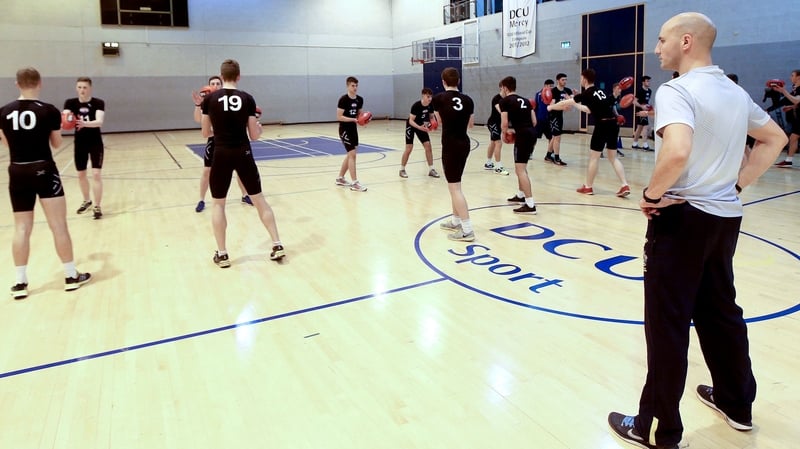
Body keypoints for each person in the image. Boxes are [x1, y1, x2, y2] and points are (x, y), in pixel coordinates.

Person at [607, 13, 788, 449]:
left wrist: (651, 195)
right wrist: (737, 184)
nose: (657, 48)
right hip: (725, 218)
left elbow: (677, 150)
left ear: (685, 41)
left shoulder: (677, 89)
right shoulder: (733, 90)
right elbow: (775, 139)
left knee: (668, 323)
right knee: (720, 310)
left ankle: (657, 428)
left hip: (684, 219)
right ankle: (736, 401)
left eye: (662, 39)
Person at [1, 67, 92, 299]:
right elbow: (57, 143)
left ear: (16, 84)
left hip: (18, 170)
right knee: (58, 224)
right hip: (44, 168)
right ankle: (70, 276)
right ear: (40, 83)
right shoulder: (49, 110)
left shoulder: (3, 112)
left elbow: (6, 143)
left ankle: (20, 282)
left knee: (21, 227)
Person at [200, 59, 285, 268]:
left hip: (220, 152)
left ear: (221, 77)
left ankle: (222, 254)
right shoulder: (247, 99)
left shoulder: (209, 100)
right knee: (259, 200)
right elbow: (254, 135)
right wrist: (260, 129)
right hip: (243, 152)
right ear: (238, 76)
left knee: (218, 204)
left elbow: (204, 133)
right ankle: (277, 244)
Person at [548, 69, 630, 197]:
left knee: (594, 157)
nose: (580, 80)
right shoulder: (599, 91)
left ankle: (588, 187)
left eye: (581, 78)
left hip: (602, 125)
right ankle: (624, 184)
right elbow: (589, 109)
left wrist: (550, 107)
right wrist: (575, 102)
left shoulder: (587, 93)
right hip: (613, 125)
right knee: (613, 157)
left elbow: (564, 103)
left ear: (585, 79)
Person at [191, 75, 252, 213]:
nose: (215, 85)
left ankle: (245, 195)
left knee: (239, 170)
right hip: (214, 142)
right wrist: (197, 104)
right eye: (212, 83)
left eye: (218, 83)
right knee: (207, 171)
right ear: (208, 85)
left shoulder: (227, 100)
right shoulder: (207, 102)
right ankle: (201, 199)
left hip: (230, 141)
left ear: (222, 84)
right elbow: (198, 120)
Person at [432, 67, 476, 242]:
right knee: (456, 184)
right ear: (458, 81)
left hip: (450, 144)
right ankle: (456, 220)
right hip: (464, 143)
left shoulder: (438, 99)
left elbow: (440, 121)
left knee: (454, 188)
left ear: (443, 82)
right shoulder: (468, 100)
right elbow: (471, 124)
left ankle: (467, 230)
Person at [63, 77, 106, 219]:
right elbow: (66, 117)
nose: (82, 90)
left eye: (85, 87)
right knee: (81, 174)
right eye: (79, 87)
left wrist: (84, 123)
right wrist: (65, 120)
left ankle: (97, 206)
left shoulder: (98, 103)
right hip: (80, 143)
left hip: (95, 142)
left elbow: (99, 122)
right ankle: (87, 200)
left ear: (90, 88)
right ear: (76, 88)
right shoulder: (70, 103)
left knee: (96, 174)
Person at [498, 76, 538, 214]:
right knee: (521, 168)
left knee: (520, 170)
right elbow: (534, 121)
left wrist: (505, 133)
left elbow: (504, 123)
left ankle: (530, 204)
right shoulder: (526, 101)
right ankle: (521, 196)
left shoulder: (505, 101)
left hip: (523, 136)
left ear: (505, 87)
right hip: (532, 133)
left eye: (501, 88)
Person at [334, 76, 367, 192]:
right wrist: (352, 120)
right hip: (344, 129)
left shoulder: (360, 99)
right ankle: (355, 183)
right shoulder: (343, 99)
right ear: (348, 86)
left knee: (350, 155)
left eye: (356, 85)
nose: (355, 88)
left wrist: (364, 119)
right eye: (353, 85)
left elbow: (359, 115)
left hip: (353, 129)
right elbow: (339, 117)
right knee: (352, 154)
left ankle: (340, 178)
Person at [399, 88, 440, 178]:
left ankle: (431, 169)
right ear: (423, 95)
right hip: (412, 125)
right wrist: (419, 127)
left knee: (428, 146)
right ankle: (402, 169)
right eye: (428, 97)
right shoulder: (416, 106)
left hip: (421, 126)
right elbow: (411, 121)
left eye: (431, 97)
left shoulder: (430, 106)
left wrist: (433, 124)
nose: (430, 99)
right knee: (409, 148)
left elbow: (431, 117)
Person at [773, 70, 800, 167]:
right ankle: (788, 161)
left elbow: (797, 100)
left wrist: (783, 91)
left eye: (792, 75)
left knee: (793, 137)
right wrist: (792, 107)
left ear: (798, 77)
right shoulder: (796, 88)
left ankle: (789, 160)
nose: (790, 77)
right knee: (793, 137)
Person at [544, 73, 571, 166]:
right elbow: (551, 106)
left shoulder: (567, 91)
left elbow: (572, 102)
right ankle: (556, 158)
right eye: (563, 80)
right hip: (553, 116)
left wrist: (573, 97)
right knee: (557, 137)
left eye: (565, 80)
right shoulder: (554, 91)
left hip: (560, 116)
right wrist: (563, 107)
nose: (565, 81)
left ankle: (548, 155)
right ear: (558, 81)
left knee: (555, 137)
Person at [483, 83, 509, 175]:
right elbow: (501, 111)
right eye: (505, 87)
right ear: (501, 87)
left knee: (493, 142)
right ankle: (498, 167)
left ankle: (488, 163)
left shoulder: (507, 99)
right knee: (498, 142)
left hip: (499, 124)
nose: (506, 89)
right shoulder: (496, 99)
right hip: (493, 123)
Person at [534, 79, 554, 159]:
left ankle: (550, 153)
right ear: (545, 86)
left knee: (551, 137)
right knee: (534, 137)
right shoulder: (538, 94)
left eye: (552, 86)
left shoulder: (553, 94)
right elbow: (535, 106)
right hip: (539, 119)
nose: (551, 88)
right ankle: (530, 153)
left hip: (549, 120)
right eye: (550, 86)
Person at [631, 75, 653, 150]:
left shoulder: (650, 91)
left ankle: (634, 144)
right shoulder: (640, 91)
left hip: (645, 111)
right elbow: (634, 101)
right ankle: (645, 145)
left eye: (649, 81)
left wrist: (648, 106)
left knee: (640, 128)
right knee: (645, 127)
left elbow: (646, 102)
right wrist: (641, 106)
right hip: (640, 111)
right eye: (647, 81)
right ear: (643, 82)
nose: (648, 82)